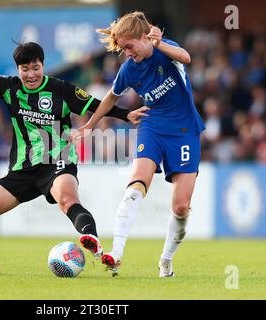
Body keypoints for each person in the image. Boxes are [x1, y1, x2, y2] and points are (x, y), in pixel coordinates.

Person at [0, 42, 147, 275]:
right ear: (18, 69)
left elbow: (95, 105)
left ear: (43, 65)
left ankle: (92, 242)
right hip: (22, 170)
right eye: (25, 69)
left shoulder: (62, 89)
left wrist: (126, 115)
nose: (31, 74)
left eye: (35, 67)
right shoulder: (9, 87)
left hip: (57, 162)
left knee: (67, 200)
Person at [71, 12, 205, 277]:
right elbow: (111, 98)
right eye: (122, 49)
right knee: (135, 187)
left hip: (184, 130)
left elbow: (186, 58)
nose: (127, 53)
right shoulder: (129, 69)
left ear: (144, 37)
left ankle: (166, 259)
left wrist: (160, 44)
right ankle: (116, 253)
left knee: (180, 207)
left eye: (129, 46)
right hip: (152, 126)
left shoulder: (166, 50)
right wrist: (89, 124)